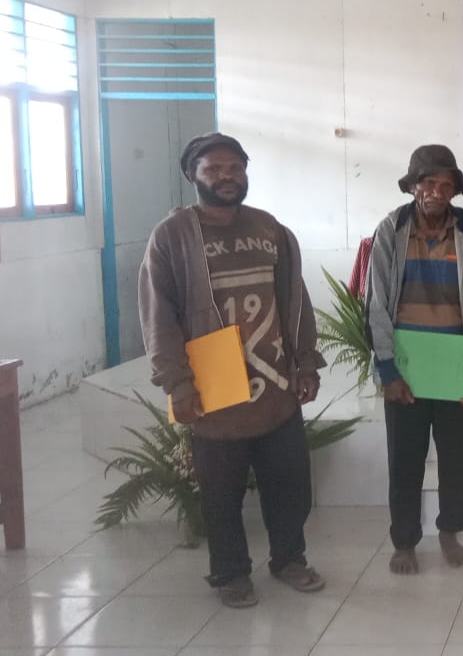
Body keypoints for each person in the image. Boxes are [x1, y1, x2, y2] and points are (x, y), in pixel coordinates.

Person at [138, 132, 327, 608]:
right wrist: (177, 383)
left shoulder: (270, 229)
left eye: (235, 168)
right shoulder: (173, 236)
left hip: (276, 390)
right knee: (221, 494)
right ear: (192, 175)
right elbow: (158, 316)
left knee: (290, 485)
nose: (226, 176)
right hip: (214, 392)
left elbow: (295, 302)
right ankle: (230, 573)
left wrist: (306, 362)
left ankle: (289, 559)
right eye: (214, 169)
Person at [365, 144, 463, 575]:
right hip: (406, 369)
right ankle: (405, 541)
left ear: (455, 190)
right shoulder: (390, 230)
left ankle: (450, 531)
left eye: (446, 185)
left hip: (455, 366)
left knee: (457, 458)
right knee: (405, 459)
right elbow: (376, 305)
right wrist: (387, 370)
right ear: (412, 186)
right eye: (428, 183)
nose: (436, 192)